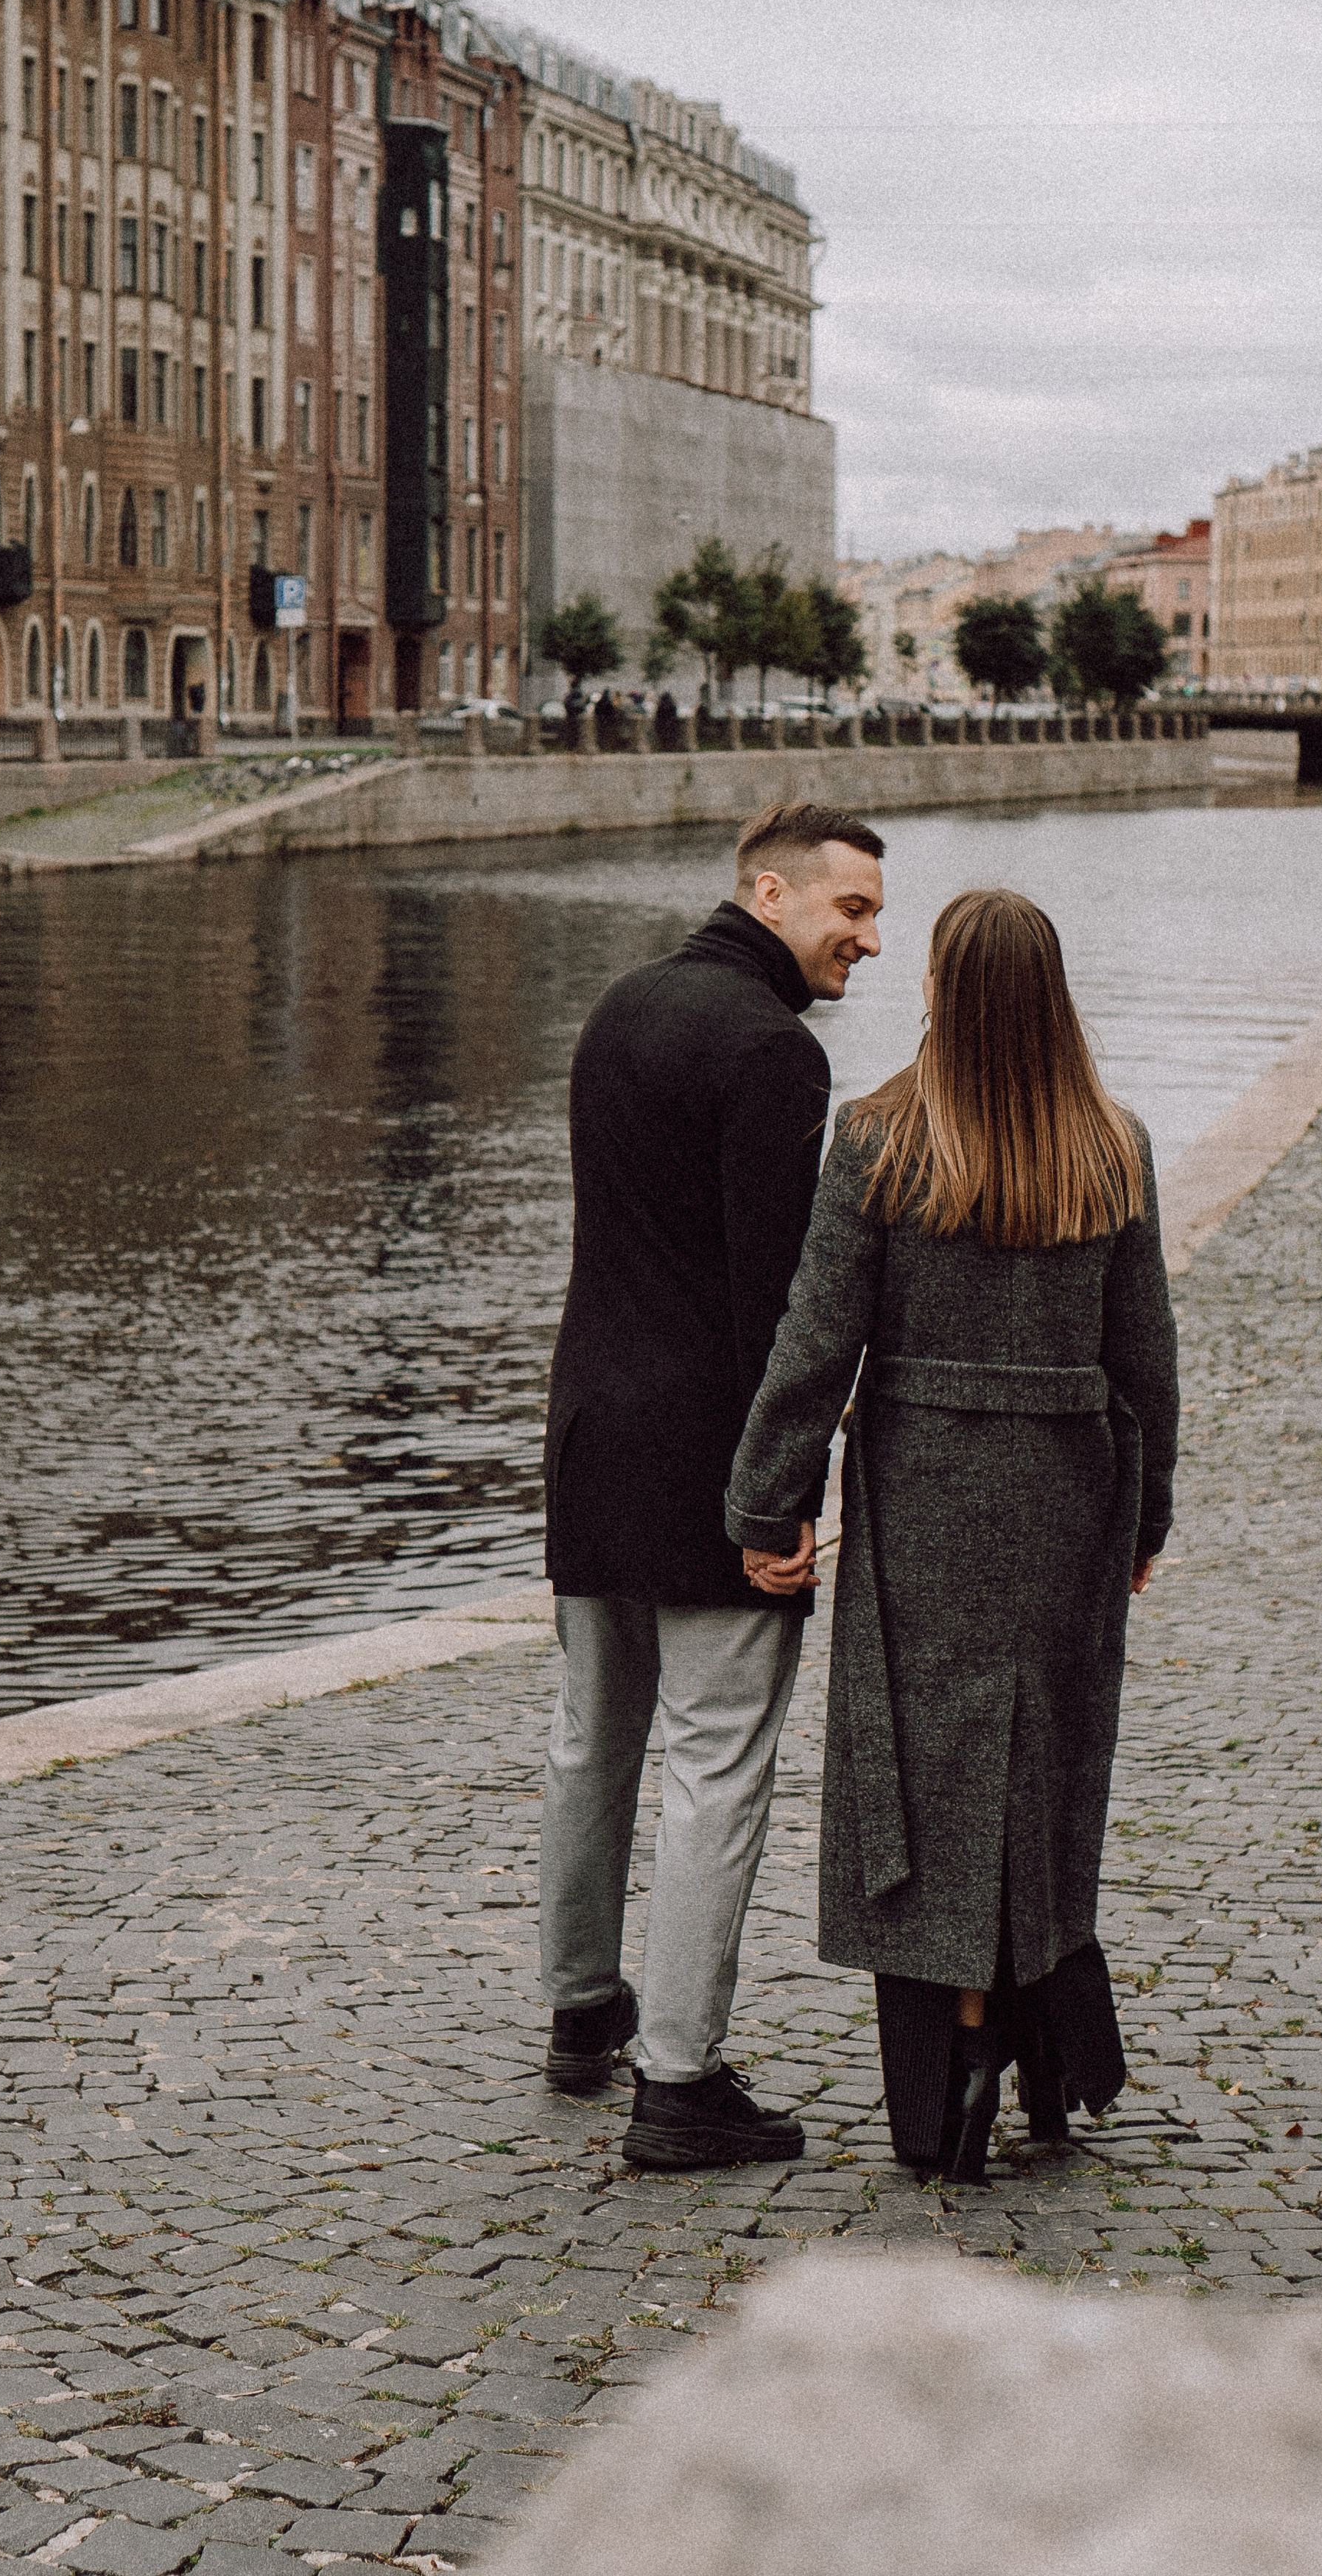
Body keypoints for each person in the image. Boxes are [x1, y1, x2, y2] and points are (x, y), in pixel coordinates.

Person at [725, 888, 1178, 2182]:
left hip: (923, 1497)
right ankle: (1039, 2052)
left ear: (941, 990)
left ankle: (955, 2075)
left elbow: (814, 1347)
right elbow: (1147, 1362)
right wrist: (1146, 1514)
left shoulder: (877, 1140)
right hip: (1067, 1499)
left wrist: (770, 1508)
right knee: (1045, 1766)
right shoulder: (1114, 1147)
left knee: (921, 1780)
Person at [541, 802, 887, 2169]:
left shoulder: (621, 1008)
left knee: (591, 1740)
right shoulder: (771, 1053)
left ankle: (580, 2012)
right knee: (719, 1764)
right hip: (707, 1456)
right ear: (770, 891)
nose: (870, 937)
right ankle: (679, 2082)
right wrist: (780, 1501)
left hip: (589, 1431)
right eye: (850, 908)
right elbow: (774, 1309)